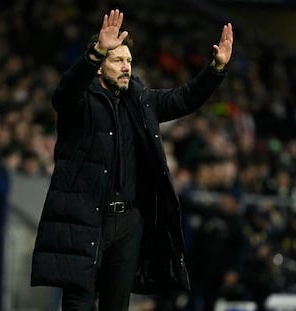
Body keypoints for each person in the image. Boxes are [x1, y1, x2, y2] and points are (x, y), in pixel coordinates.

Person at [30, 9, 233, 311]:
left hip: (127, 223)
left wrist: (215, 69)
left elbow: (184, 98)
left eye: (128, 61)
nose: (126, 68)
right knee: (78, 303)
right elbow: (64, 92)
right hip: (86, 219)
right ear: (100, 67)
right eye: (118, 61)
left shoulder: (141, 101)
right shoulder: (80, 102)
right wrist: (96, 52)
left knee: (116, 306)